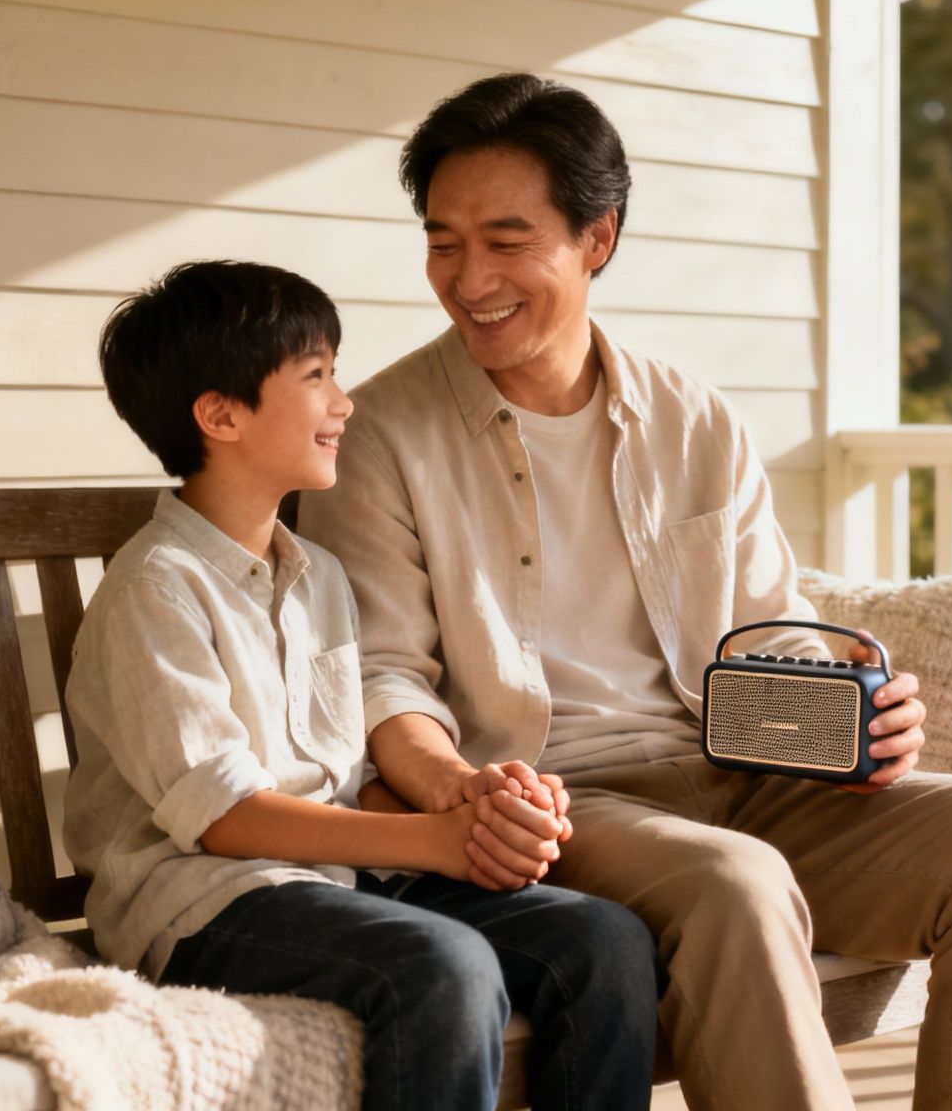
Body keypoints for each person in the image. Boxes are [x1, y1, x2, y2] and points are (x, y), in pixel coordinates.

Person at [297, 74, 952, 1111]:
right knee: (734, 883)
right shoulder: (380, 436)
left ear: (597, 239)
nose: (467, 276)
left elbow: (771, 633)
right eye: (443, 241)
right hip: (558, 802)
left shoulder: (693, 419)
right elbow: (381, 677)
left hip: (747, 778)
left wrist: (856, 728)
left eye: (505, 239)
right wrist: (460, 791)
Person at [61, 260, 660, 1111]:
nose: (344, 403)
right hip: (204, 905)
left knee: (602, 939)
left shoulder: (318, 577)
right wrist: (434, 845)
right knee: (445, 968)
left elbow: (340, 781)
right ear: (219, 414)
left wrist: (469, 819)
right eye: (316, 378)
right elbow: (226, 818)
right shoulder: (156, 588)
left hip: (334, 878)